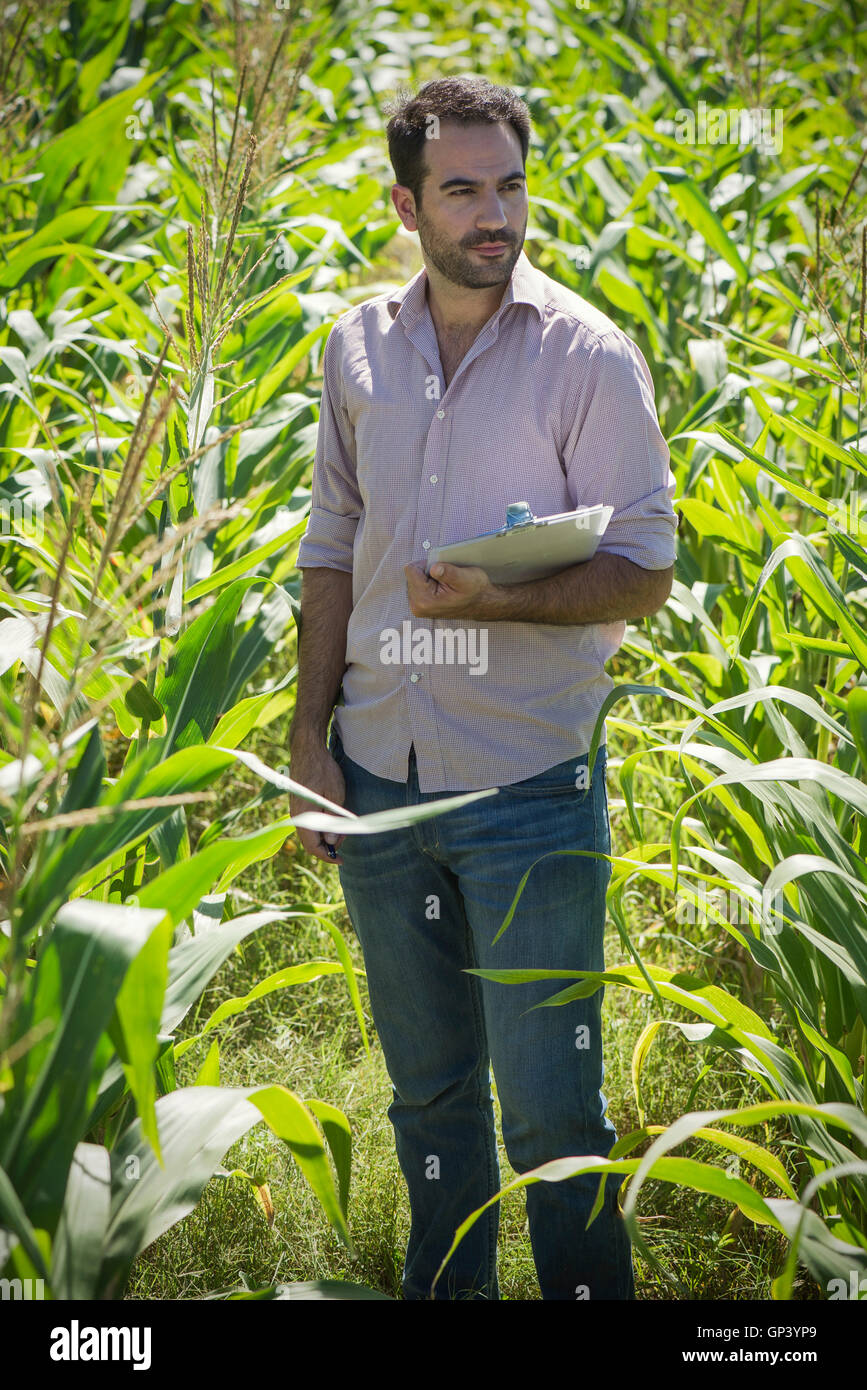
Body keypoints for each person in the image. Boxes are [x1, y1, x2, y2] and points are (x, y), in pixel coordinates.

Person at [288, 75, 677, 1300]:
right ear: (406, 203)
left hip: (528, 789)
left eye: (508, 184)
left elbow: (647, 572)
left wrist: (495, 599)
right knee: (431, 1100)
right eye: (461, 190)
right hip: (383, 782)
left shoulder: (585, 356)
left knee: (556, 1122)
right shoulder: (357, 347)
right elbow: (330, 551)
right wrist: (309, 745)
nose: (493, 214)